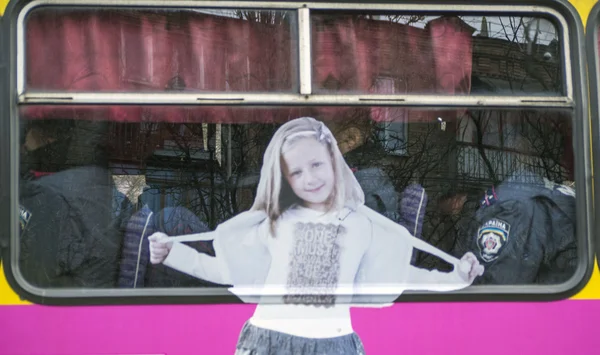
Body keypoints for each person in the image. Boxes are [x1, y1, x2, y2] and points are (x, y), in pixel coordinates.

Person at [148, 117, 484, 354]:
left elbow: (397, 277)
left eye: (316, 165)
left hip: (335, 346)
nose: (309, 178)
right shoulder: (276, 221)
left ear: (334, 162)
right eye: (296, 171)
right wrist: (173, 255)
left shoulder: (360, 225)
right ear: (285, 179)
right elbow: (229, 273)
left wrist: (454, 278)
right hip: (268, 343)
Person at [18, 119, 122, 288]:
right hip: (93, 295)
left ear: (45, 138)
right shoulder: (98, 179)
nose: (23, 148)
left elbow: (34, 275)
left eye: (25, 141)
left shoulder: (46, 194)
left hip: (67, 303)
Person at [451, 171, 577, 285]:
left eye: (449, 210)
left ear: (457, 199)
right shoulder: (520, 195)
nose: (452, 215)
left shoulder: (509, 209)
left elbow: (505, 288)